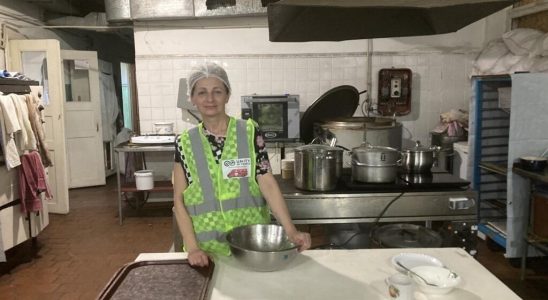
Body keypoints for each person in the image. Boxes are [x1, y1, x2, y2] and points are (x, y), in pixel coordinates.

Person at [173, 62, 311, 267]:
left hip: (251, 248)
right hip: (207, 252)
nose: (210, 99)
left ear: (227, 95)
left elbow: (268, 184)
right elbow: (179, 200)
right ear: (192, 98)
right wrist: (193, 248)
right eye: (202, 92)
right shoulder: (184, 143)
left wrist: (291, 230)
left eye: (217, 91)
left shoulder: (249, 132)